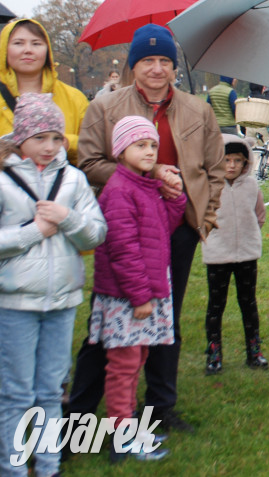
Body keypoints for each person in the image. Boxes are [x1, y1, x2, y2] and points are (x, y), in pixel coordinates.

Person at [69, 24, 225, 434]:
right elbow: (88, 163)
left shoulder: (198, 109)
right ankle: (81, 413)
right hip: (126, 227)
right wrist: (149, 171)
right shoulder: (106, 107)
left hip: (178, 226)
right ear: (133, 65)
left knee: (165, 318)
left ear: (174, 66)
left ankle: (159, 407)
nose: (157, 69)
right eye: (147, 61)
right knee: (109, 319)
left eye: (165, 61)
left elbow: (214, 170)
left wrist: (203, 219)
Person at [0, 94, 106, 476]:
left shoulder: (74, 179)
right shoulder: (3, 179)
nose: (49, 146)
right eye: (40, 137)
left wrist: (67, 219)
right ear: (21, 138)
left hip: (61, 302)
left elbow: (95, 233)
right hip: (14, 303)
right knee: (15, 393)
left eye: (56, 138)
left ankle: (48, 466)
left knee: (50, 391)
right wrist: (31, 232)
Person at [88, 116, 186, 462]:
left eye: (152, 145)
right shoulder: (118, 191)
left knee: (137, 359)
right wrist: (140, 297)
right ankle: (121, 435)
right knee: (124, 366)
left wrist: (173, 197)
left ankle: (129, 426)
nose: (149, 152)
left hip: (145, 292)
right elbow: (122, 249)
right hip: (128, 297)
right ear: (120, 151)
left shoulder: (144, 187)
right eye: (140, 145)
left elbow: (163, 228)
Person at [202, 135, 268, 375]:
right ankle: (214, 353)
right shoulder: (209, 186)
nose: (231, 165)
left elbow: (259, 215)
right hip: (217, 255)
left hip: (247, 255)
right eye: (226, 159)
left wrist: (250, 236)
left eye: (237, 160)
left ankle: (254, 351)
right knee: (216, 305)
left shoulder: (252, 186)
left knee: (248, 303)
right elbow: (200, 216)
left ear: (245, 162)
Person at [0, 19, 89, 165]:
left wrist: (65, 142)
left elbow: (91, 148)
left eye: (36, 43)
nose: (28, 50)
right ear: (4, 49)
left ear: (47, 50)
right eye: (18, 43)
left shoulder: (74, 98)